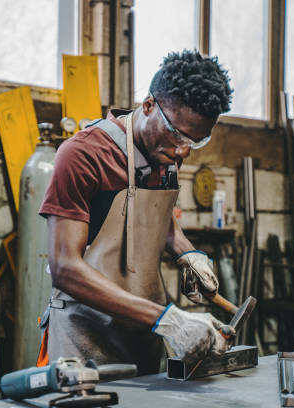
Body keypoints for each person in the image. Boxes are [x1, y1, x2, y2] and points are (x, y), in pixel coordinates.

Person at [38, 49, 234, 374]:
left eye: (196, 142)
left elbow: (159, 222)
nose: (183, 150)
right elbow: (64, 267)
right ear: (148, 105)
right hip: (85, 339)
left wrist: (189, 255)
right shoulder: (84, 154)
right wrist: (167, 318)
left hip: (143, 336)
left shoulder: (168, 153)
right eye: (178, 134)